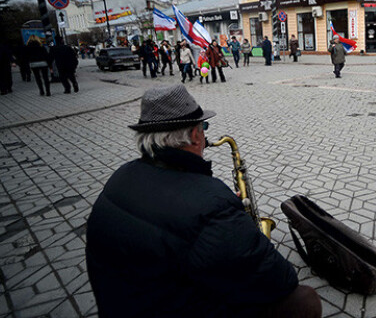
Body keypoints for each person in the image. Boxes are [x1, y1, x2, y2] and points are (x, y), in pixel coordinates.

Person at [85, 84, 322, 318]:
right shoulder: (211, 205)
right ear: (196, 135)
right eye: (204, 126)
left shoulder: (120, 177)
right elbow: (279, 280)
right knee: (304, 300)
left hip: (121, 304)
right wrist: (237, 222)